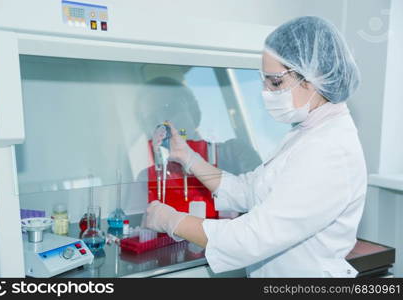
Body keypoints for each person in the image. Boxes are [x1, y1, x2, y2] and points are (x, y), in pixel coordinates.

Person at [142, 16, 367, 277]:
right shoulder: (306, 133)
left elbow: (253, 237)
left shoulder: (330, 150)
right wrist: (189, 157)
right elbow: (249, 190)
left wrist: (172, 221)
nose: (265, 92)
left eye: (275, 82)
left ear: (312, 78)